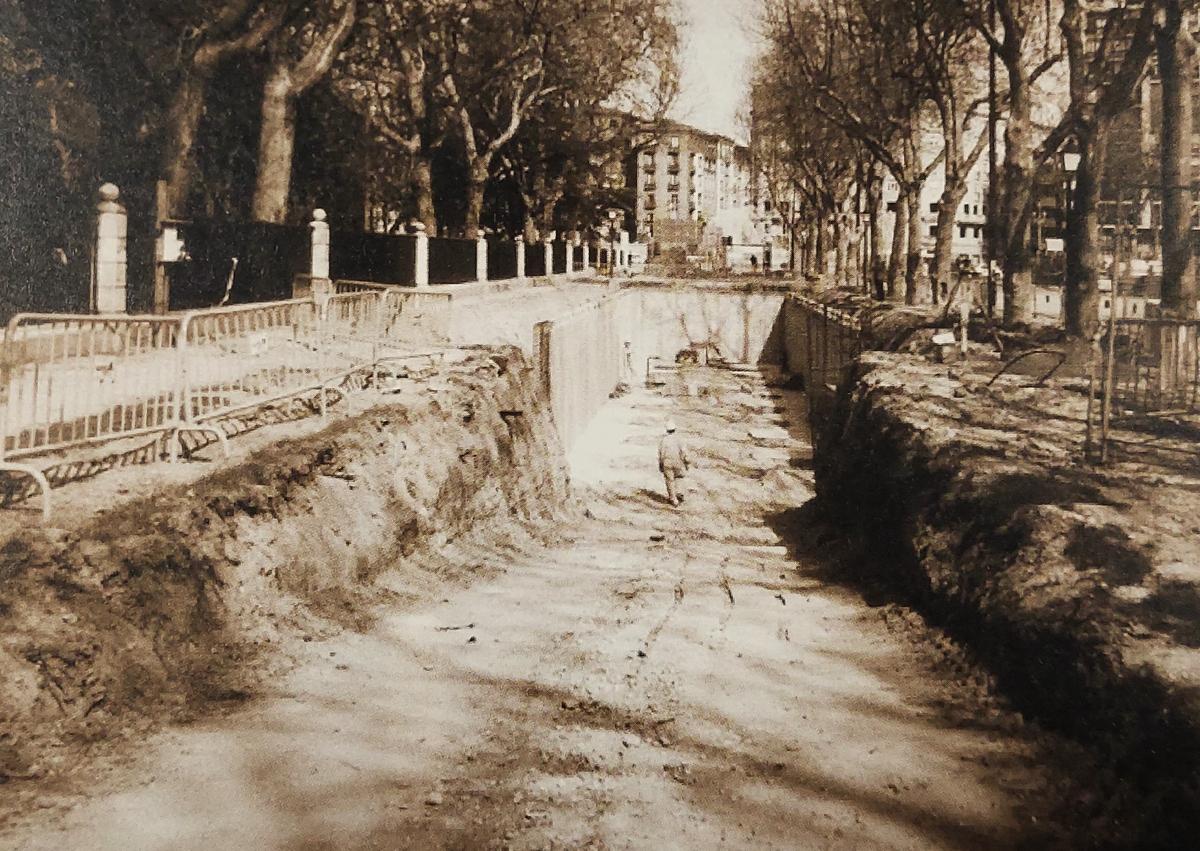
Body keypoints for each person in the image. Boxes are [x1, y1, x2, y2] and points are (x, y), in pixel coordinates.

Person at [657, 420, 690, 507]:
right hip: (678, 461)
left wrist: (660, 464)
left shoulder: (664, 440)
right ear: (675, 429)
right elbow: (684, 452)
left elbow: (661, 453)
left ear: (667, 430)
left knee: (669, 480)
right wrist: (686, 462)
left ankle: (673, 499)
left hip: (667, 462)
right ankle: (679, 493)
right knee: (679, 477)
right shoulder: (680, 440)